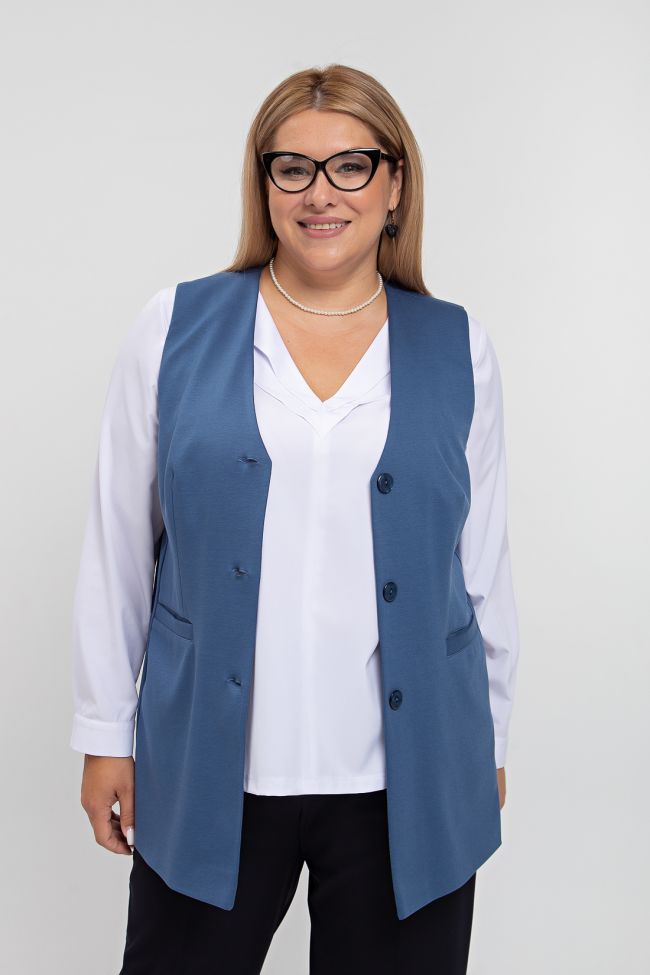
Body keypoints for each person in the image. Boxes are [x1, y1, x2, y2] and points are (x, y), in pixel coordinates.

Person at [70, 63, 520, 975]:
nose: (322, 193)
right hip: (212, 767)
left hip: (405, 778)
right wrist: (103, 735)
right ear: (264, 184)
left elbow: (480, 568)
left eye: (351, 165)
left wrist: (492, 741)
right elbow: (118, 545)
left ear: (395, 184)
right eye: (293, 168)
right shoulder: (173, 328)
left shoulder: (457, 345)